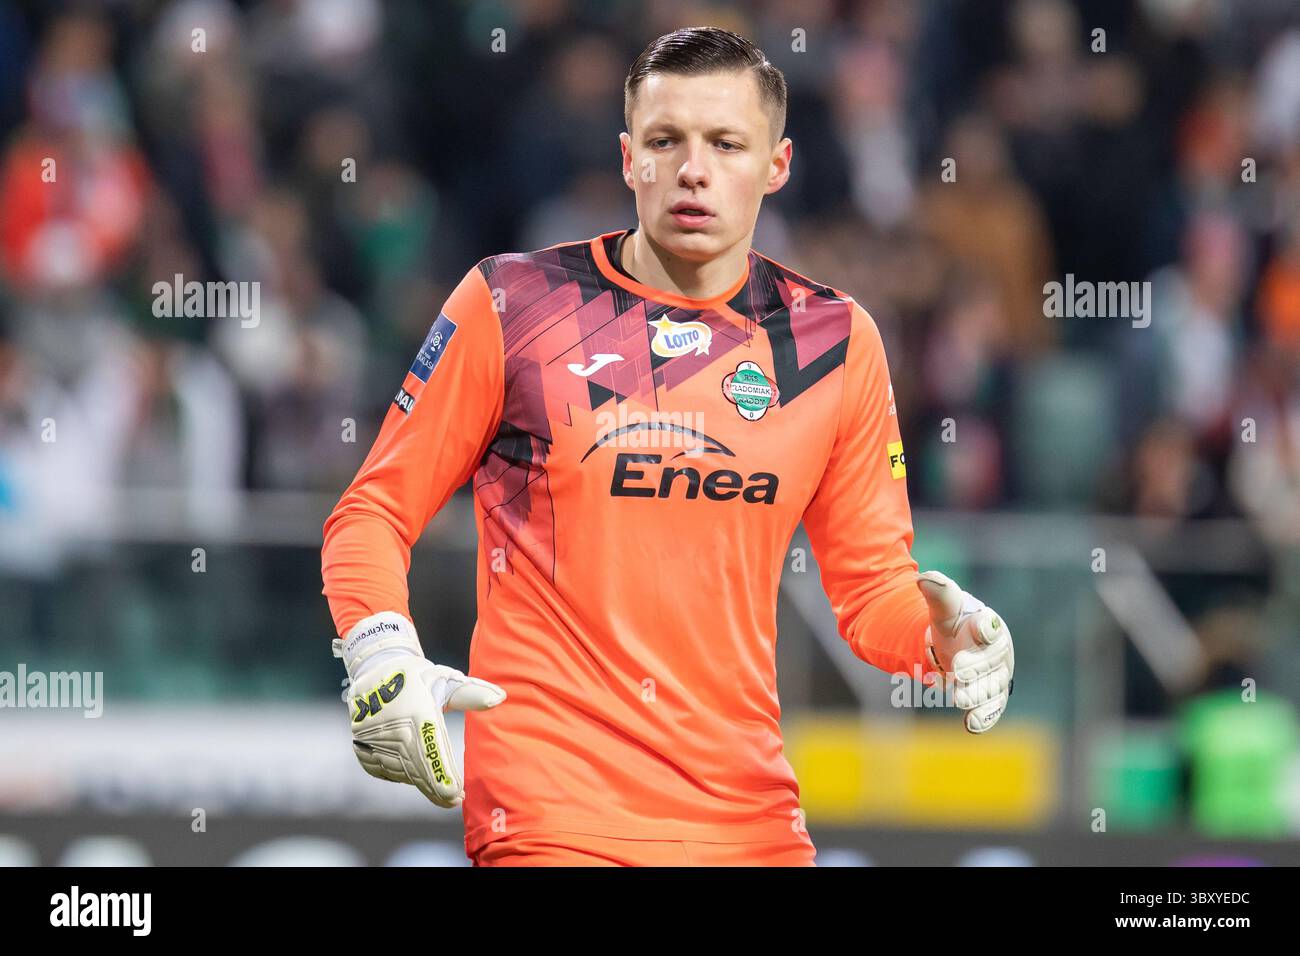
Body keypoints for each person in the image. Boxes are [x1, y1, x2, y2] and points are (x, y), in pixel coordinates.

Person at [320, 26, 1015, 867]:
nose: (694, 169)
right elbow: (372, 511)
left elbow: (872, 591)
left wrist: (945, 639)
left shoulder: (833, 342)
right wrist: (380, 645)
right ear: (627, 159)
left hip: (750, 821)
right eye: (665, 141)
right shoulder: (513, 304)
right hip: (555, 816)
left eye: (726, 143)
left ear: (778, 164)